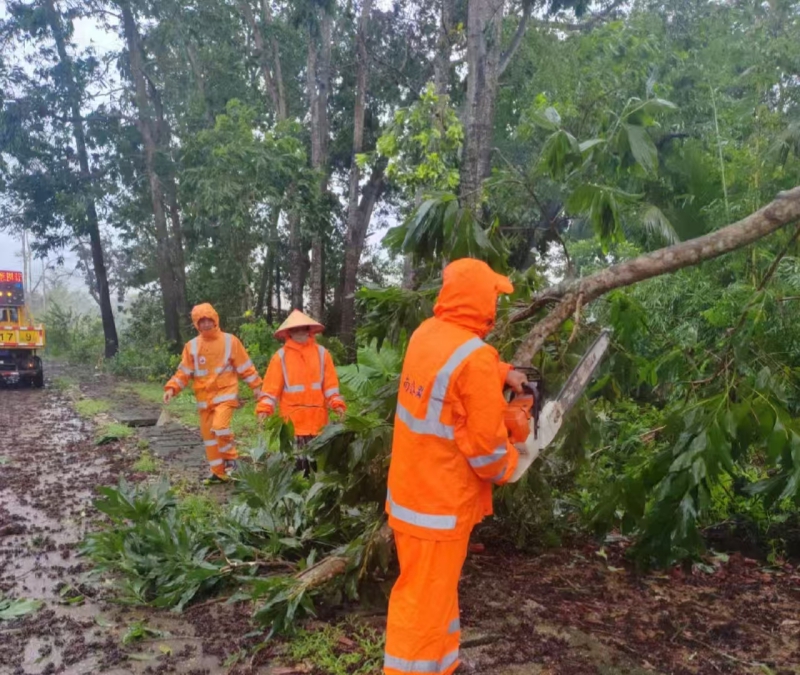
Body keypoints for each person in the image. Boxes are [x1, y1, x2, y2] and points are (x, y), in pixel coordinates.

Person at [383, 258, 537, 675]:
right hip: (440, 501)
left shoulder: (426, 334)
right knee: (421, 601)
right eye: (493, 296)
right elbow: (486, 449)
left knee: (436, 591)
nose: (496, 305)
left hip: (412, 492)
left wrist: (503, 372)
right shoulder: (474, 358)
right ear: (482, 301)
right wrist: (513, 461)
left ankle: (444, 664)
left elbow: (451, 376)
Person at [164, 303, 266, 484]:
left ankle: (232, 461)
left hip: (225, 396)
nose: (205, 324)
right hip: (204, 400)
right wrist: (172, 388)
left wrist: (257, 386)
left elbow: (245, 367)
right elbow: (183, 372)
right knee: (209, 439)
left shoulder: (230, 341)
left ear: (215, 319)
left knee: (220, 428)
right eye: (200, 321)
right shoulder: (192, 346)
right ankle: (218, 473)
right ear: (196, 324)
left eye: (208, 320)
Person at [256, 310, 346, 475]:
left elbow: (330, 386)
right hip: (293, 422)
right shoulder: (281, 357)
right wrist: (264, 409)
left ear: (309, 330)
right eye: (295, 330)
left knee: (317, 465)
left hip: (319, 421)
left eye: (302, 328)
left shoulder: (322, 354)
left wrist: (337, 403)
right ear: (288, 333)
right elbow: (270, 389)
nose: (299, 333)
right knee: (298, 465)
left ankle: (315, 498)